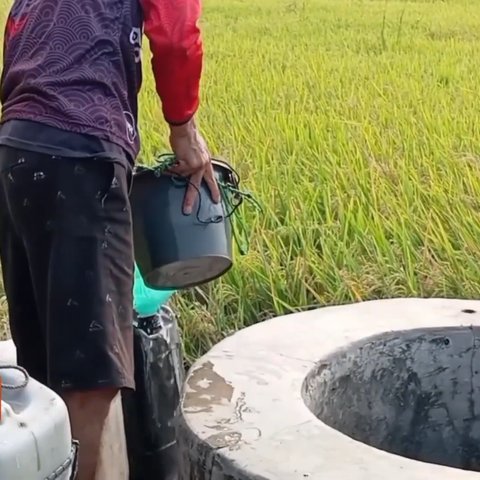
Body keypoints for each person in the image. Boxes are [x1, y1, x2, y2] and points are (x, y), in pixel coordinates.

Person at [0, 0, 220, 479]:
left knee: (47, 369)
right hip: (81, 152)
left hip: (15, 150)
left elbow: (17, 29)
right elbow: (177, 32)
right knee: (89, 382)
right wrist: (184, 129)